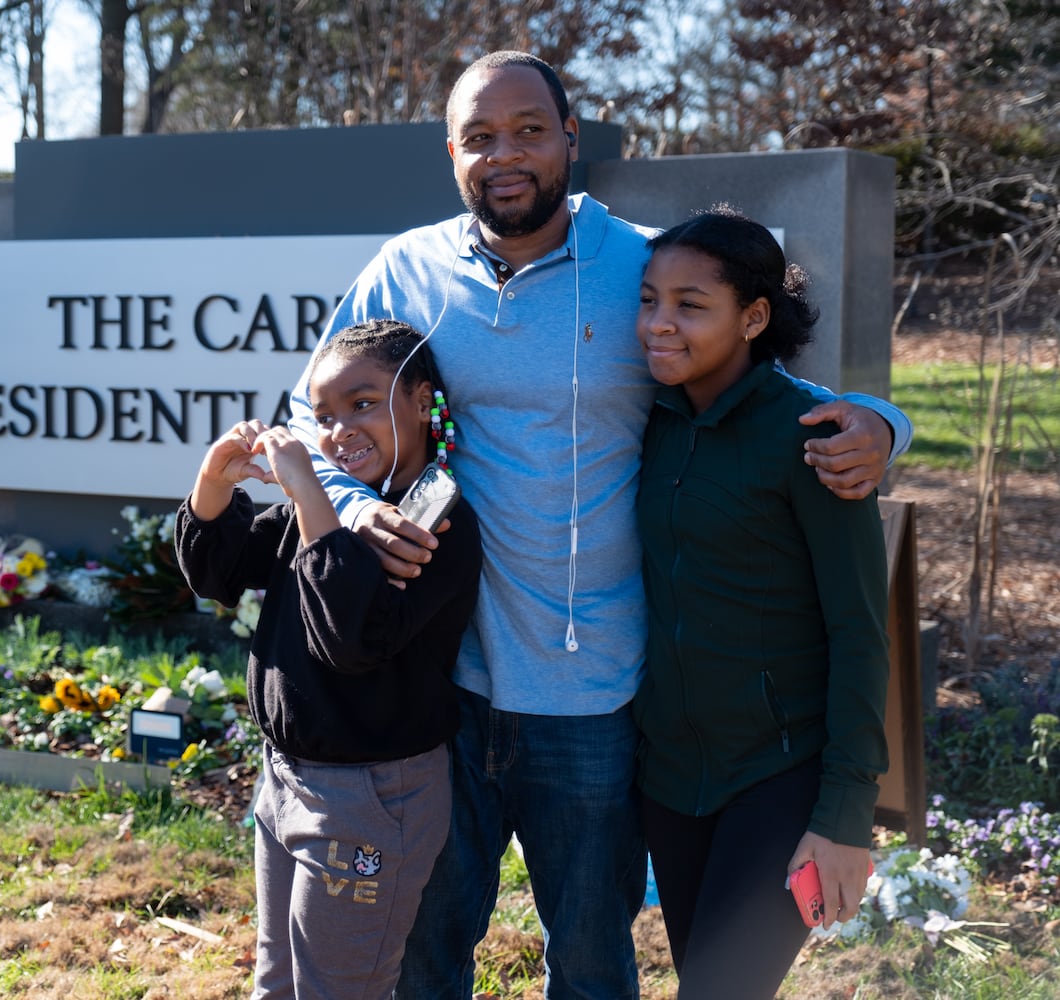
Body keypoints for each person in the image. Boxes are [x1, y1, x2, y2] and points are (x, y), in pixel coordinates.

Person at [286, 51, 911, 1000]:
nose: (507, 154)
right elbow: (309, 415)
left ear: (571, 139)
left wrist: (885, 422)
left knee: (589, 964)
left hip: (597, 697)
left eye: (530, 130)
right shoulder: (403, 270)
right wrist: (364, 504)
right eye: (480, 136)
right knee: (425, 951)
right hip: (444, 682)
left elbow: (770, 382)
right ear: (451, 152)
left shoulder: (642, 268)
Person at [175, 319, 483, 999]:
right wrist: (213, 486)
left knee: (337, 989)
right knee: (278, 982)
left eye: (363, 404)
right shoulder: (326, 507)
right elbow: (218, 575)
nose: (340, 430)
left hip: (371, 799)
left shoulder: (431, 525)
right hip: (284, 780)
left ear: (423, 400)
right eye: (323, 416)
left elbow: (349, 641)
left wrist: (313, 495)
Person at [633, 207, 889, 998]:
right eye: (648, 300)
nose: (658, 325)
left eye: (690, 305)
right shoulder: (641, 420)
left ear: (753, 317)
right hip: (669, 780)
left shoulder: (814, 435)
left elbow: (860, 631)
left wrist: (845, 815)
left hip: (779, 775)